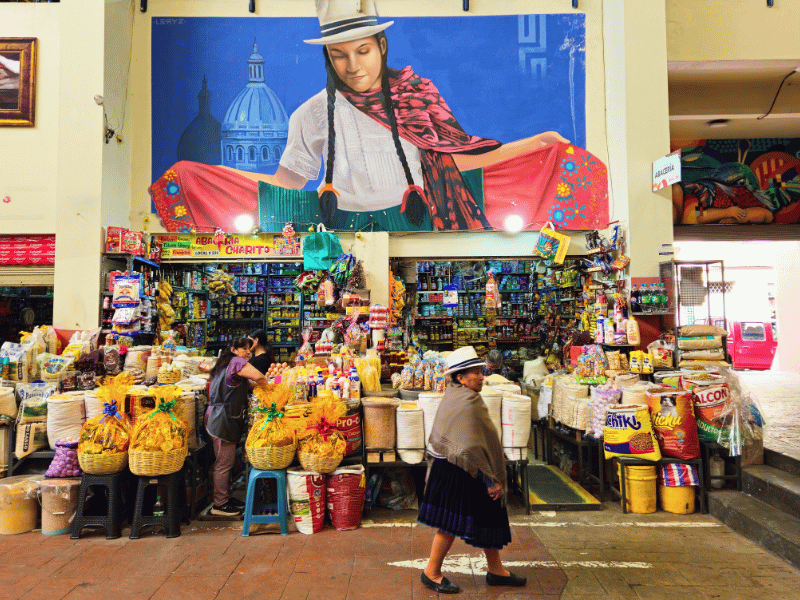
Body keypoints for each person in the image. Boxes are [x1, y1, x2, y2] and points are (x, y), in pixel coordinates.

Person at [149, 0, 608, 234]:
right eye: (340, 55)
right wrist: (204, 174)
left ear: (381, 46)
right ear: (328, 57)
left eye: (363, 50)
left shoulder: (418, 97)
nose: (354, 66)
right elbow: (285, 187)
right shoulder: (310, 115)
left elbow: (455, 164)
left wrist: (534, 146)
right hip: (341, 234)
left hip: (422, 225)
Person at [418, 346, 526, 594]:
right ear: (460, 377)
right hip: (456, 468)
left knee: (490, 514)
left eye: (480, 370)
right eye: (475, 372)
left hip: (465, 465)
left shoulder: (461, 395)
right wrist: (491, 480)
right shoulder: (465, 401)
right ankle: (431, 572)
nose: (481, 375)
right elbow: (468, 447)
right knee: (449, 521)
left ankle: (496, 570)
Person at [206, 337, 269, 517]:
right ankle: (220, 504)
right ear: (233, 350)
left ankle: (226, 497)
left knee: (227, 461)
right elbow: (258, 377)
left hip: (220, 416)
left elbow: (249, 384)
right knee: (224, 463)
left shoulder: (225, 365)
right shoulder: (236, 361)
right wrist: (269, 388)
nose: (247, 352)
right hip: (221, 419)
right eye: (244, 349)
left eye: (249, 349)